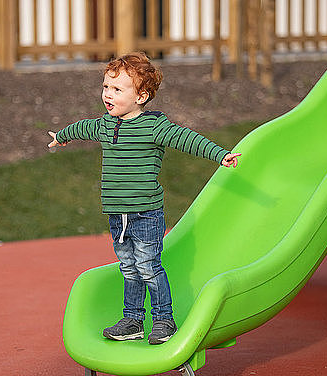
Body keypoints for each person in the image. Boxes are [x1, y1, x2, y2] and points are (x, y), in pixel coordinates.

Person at [48, 52, 240, 345]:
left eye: (117, 89)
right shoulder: (104, 125)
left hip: (146, 214)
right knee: (128, 267)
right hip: (118, 215)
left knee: (149, 266)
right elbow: (81, 128)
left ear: (142, 96)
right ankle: (133, 320)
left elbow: (188, 139)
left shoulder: (155, 127)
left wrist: (220, 155)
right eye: (105, 87)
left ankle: (164, 320)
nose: (107, 94)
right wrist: (61, 136)